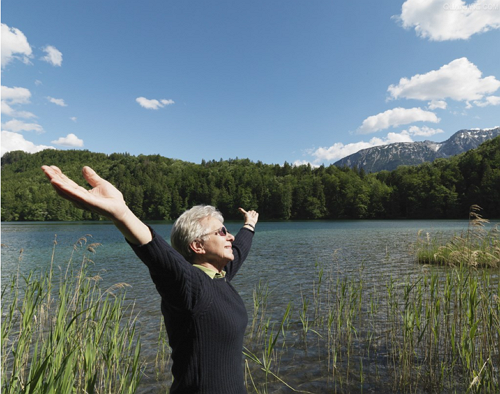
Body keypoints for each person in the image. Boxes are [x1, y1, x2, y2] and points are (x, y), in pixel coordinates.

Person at [41, 165, 259, 394]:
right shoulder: (191, 286)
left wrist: (249, 224)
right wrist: (122, 213)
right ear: (197, 246)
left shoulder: (219, 277)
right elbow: (160, 255)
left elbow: (239, 250)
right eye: (221, 232)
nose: (230, 236)